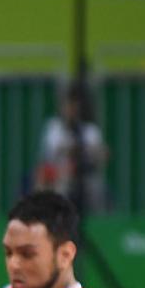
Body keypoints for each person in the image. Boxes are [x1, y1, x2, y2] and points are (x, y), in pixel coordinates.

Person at [35, 81, 109, 212]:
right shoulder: (54, 127)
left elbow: (103, 154)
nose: (71, 110)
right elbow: (50, 155)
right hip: (59, 176)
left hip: (85, 176)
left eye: (75, 106)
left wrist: (89, 153)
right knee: (57, 186)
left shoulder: (90, 130)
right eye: (68, 106)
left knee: (96, 188)